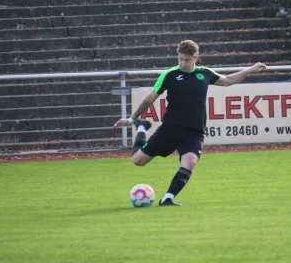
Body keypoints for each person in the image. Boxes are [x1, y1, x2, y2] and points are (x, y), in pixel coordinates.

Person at [114, 40, 267, 206]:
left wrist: (251, 70)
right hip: (170, 129)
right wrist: (132, 119)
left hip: (194, 132)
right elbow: (150, 98)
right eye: (180, 59)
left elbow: (228, 80)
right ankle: (142, 127)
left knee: (190, 161)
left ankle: (167, 199)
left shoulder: (204, 74)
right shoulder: (170, 75)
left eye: (186, 60)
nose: (182, 63)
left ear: (196, 58)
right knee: (138, 161)